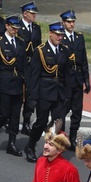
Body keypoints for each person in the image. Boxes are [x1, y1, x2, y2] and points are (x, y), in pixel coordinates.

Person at [23, 22, 73, 163]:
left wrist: (68, 94)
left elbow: (67, 74)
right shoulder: (41, 51)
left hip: (59, 92)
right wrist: (33, 96)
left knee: (58, 123)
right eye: (57, 34)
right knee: (41, 122)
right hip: (44, 91)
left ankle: (53, 150)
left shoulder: (64, 51)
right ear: (50, 33)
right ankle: (30, 146)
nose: (60, 37)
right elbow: (35, 75)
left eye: (61, 35)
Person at [0, 15, 27, 156]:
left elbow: (24, 65)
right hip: (4, 82)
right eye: (12, 27)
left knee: (16, 115)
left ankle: (12, 143)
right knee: (4, 114)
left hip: (17, 83)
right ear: (7, 26)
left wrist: (26, 84)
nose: (14, 30)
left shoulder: (20, 43)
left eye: (16, 28)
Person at [59, 9, 90, 147]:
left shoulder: (79, 38)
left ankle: (72, 137)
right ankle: (60, 136)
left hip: (77, 79)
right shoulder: (61, 38)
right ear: (63, 23)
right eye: (69, 22)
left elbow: (83, 59)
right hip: (66, 80)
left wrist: (87, 80)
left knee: (77, 111)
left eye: (73, 22)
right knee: (63, 109)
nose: (71, 24)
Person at [18, 1, 42, 135]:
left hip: (32, 65)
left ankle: (26, 121)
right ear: (25, 14)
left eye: (35, 14)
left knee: (30, 94)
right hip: (20, 64)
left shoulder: (36, 28)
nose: (34, 16)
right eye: (32, 14)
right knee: (17, 93)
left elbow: (38, 46)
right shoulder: (18, 26)